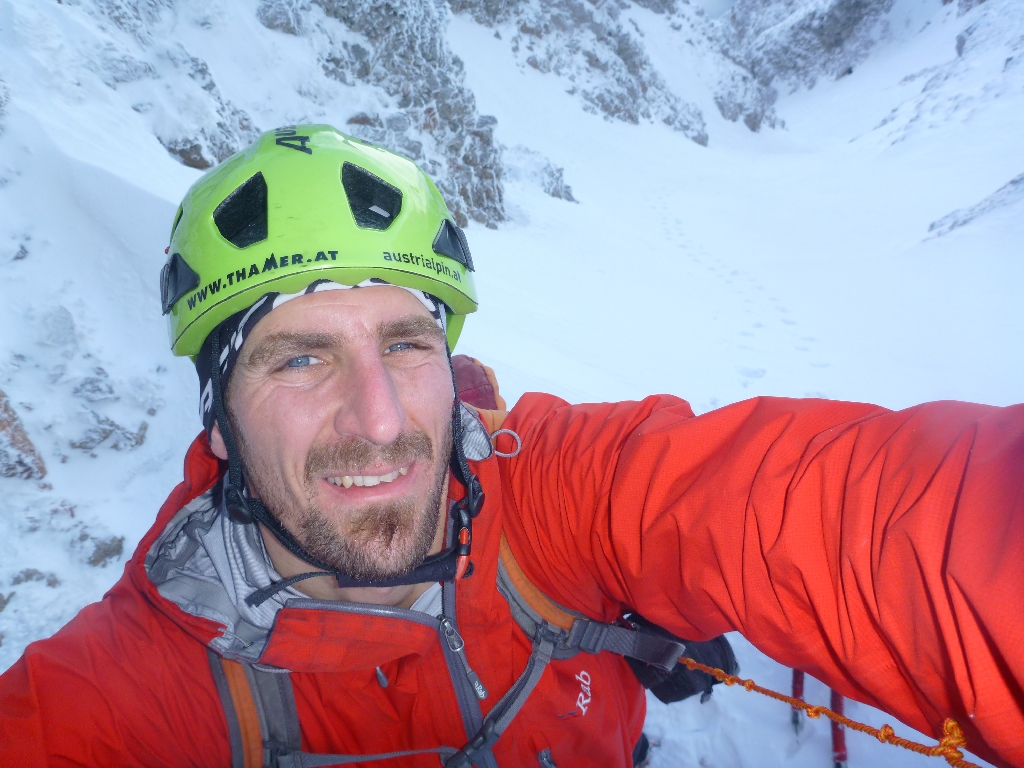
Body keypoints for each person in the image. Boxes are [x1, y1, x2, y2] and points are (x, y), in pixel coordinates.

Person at [0, 125, 1020, 768]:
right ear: (219, 421)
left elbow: (868, 523)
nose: (381, 421)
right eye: (300, 359)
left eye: (407, 344)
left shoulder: (547, 496)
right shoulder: (122, 695)